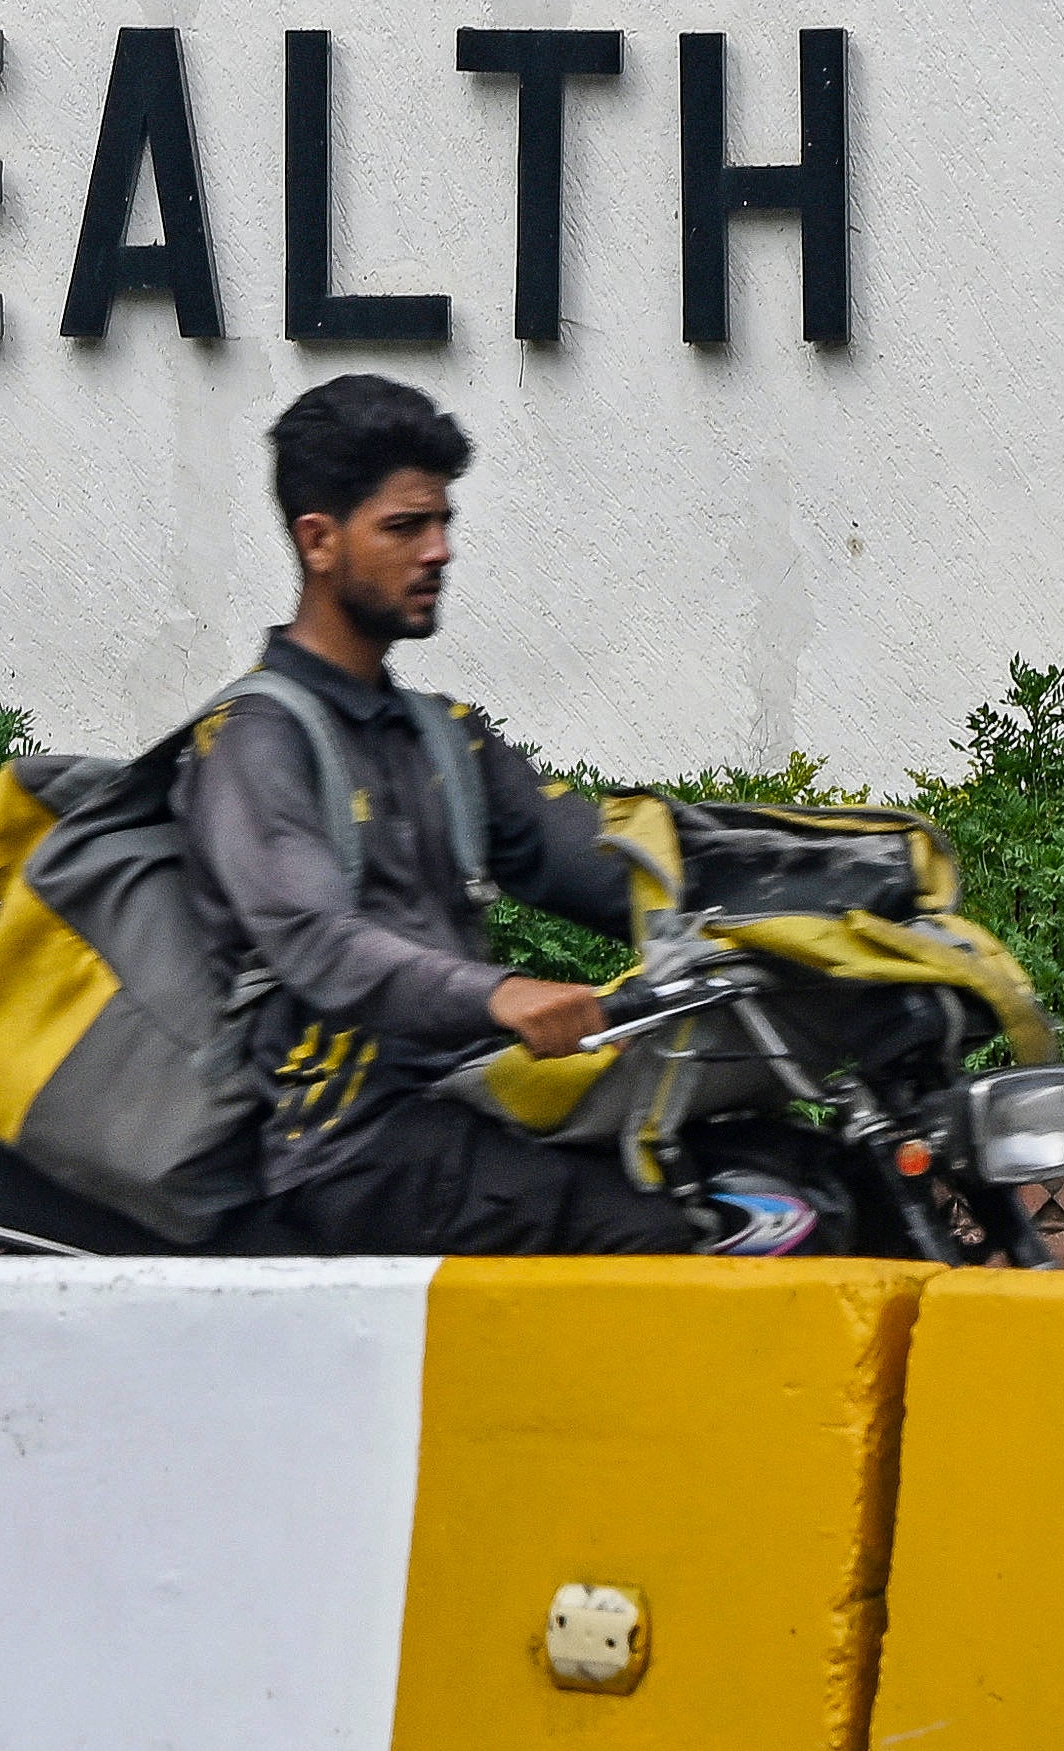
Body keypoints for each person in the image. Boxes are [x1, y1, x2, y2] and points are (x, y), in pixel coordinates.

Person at [179, 374, 790, 1256]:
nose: (439, 551)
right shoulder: (250, 741)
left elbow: (607, 863)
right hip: (350, 1146)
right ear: (318, 540)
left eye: (444, 523)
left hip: (476, 1101)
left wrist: (802, 888)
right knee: (662, 1232)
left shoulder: (444, 737)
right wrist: (501, 993)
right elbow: (318, 941)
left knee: (778, 1170)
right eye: (405, 527)